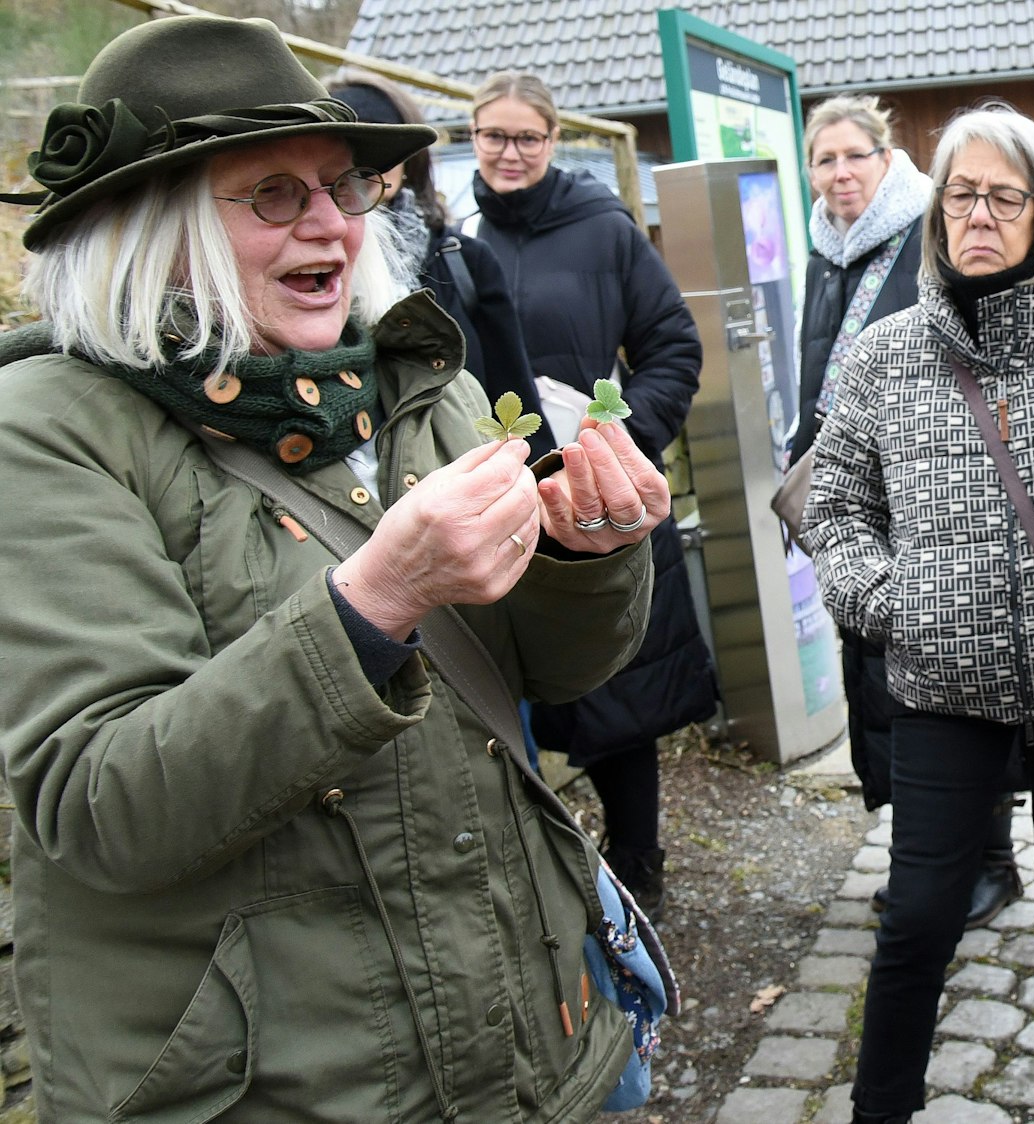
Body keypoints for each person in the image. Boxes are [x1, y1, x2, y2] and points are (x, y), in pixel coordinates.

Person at [0, 15, 670, 1120]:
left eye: (340, 188)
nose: (335, 225)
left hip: (533, 1041)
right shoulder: (46, 432)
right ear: (148, 227)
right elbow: (101, 799)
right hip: (285, 1083)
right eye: (274, 195)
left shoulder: (407, 377)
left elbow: (556, 675)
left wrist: (577, 554)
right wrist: (378, 599)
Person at [802, 103, 1034, 1124]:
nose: (983, 215)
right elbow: (833, 508)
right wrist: (888, 601)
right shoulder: (886, 355)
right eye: (964, 194)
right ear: (937, 212)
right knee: (917, 914)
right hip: (939, 684)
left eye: (1007, 196)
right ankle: (884, 1102)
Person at [468, 71, 718, 909]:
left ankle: (638, 863)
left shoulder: (604, 230)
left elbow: (675, 348)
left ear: (552, 140)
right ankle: (525, 872)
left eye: (526, 137)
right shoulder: (450, 238)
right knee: (495, 683)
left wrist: (614, 444)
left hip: (586, 498)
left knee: (617, 697)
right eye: (492, 135)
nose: (509, 152)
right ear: (471, 138)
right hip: (492, 499)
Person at [791, 93, 1022, 928]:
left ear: (888, 160)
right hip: (855, 488)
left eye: (856, 155)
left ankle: (986, 861)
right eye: (825, 159)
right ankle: (933, 850)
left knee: (953, 670)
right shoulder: (827, 250)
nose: (841, 172)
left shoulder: (930, 234)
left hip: (931, 487)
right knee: (883, 678)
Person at [326, 68, 553, 458]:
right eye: (346, 147)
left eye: (381, 145)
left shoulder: (463, 260)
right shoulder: (309, 270)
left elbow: (513, 399)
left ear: (409, 158)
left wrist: (542, 490)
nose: (366, 165)